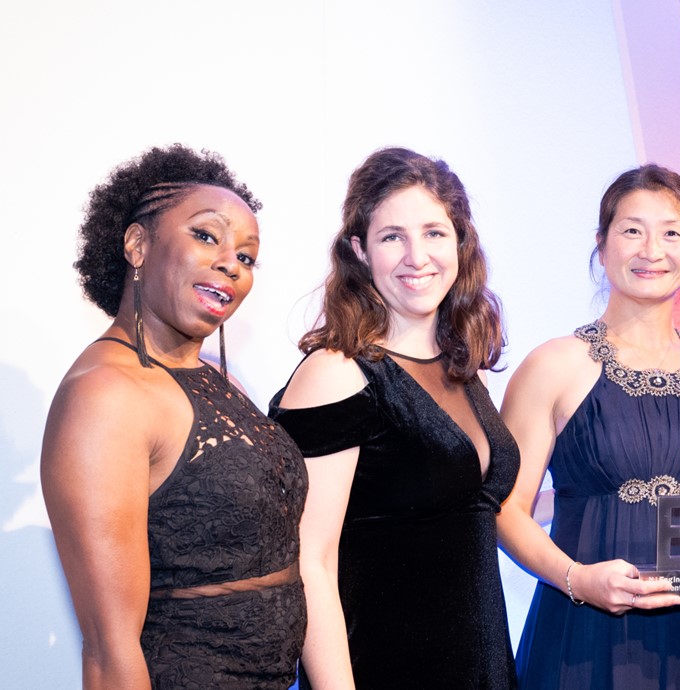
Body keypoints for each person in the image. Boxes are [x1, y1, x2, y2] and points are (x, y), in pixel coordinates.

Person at [41, 145, 306, 688]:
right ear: (137, 245)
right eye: (206, 236)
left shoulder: (217, 378)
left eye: (247, 256)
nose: (231, 262)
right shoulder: (105, 395)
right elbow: (109, 650)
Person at [499, 163, 680, 689]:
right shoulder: (553, 365)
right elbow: (504, 510)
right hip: (582, 633)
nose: (651, 250)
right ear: (602, 245)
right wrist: (578, 580)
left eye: (671, 232)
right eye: (631, 230)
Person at [268, 147, 519, 689]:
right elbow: (309, 562)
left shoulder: (458, 365)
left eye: (433, 232)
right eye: (391, 237)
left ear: (460, 243)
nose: (416, 255)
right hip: (382, 669)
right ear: (359, 251)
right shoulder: (336, 372)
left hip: (480, 667)